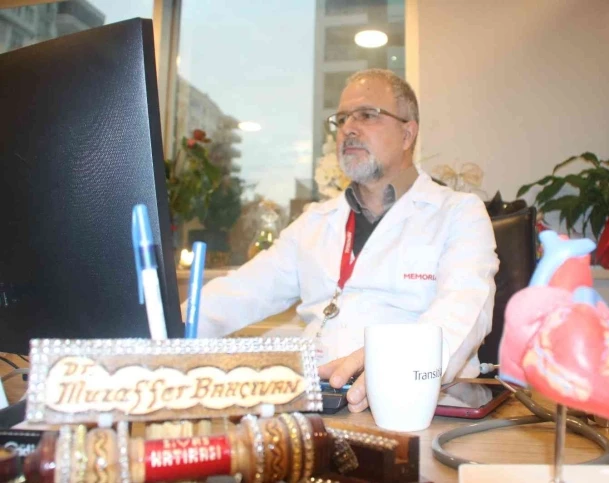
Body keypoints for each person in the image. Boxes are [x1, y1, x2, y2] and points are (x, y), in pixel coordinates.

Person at [187, 68, 499, 412]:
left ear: (407, 133)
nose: (348, 128)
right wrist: (159, 331)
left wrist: (392, 362)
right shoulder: (314, 222)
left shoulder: (458, 213)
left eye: (367, 115)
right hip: (316, 405)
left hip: (413, 407)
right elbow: (240, 292)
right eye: (342, 119)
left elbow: (464, 312)